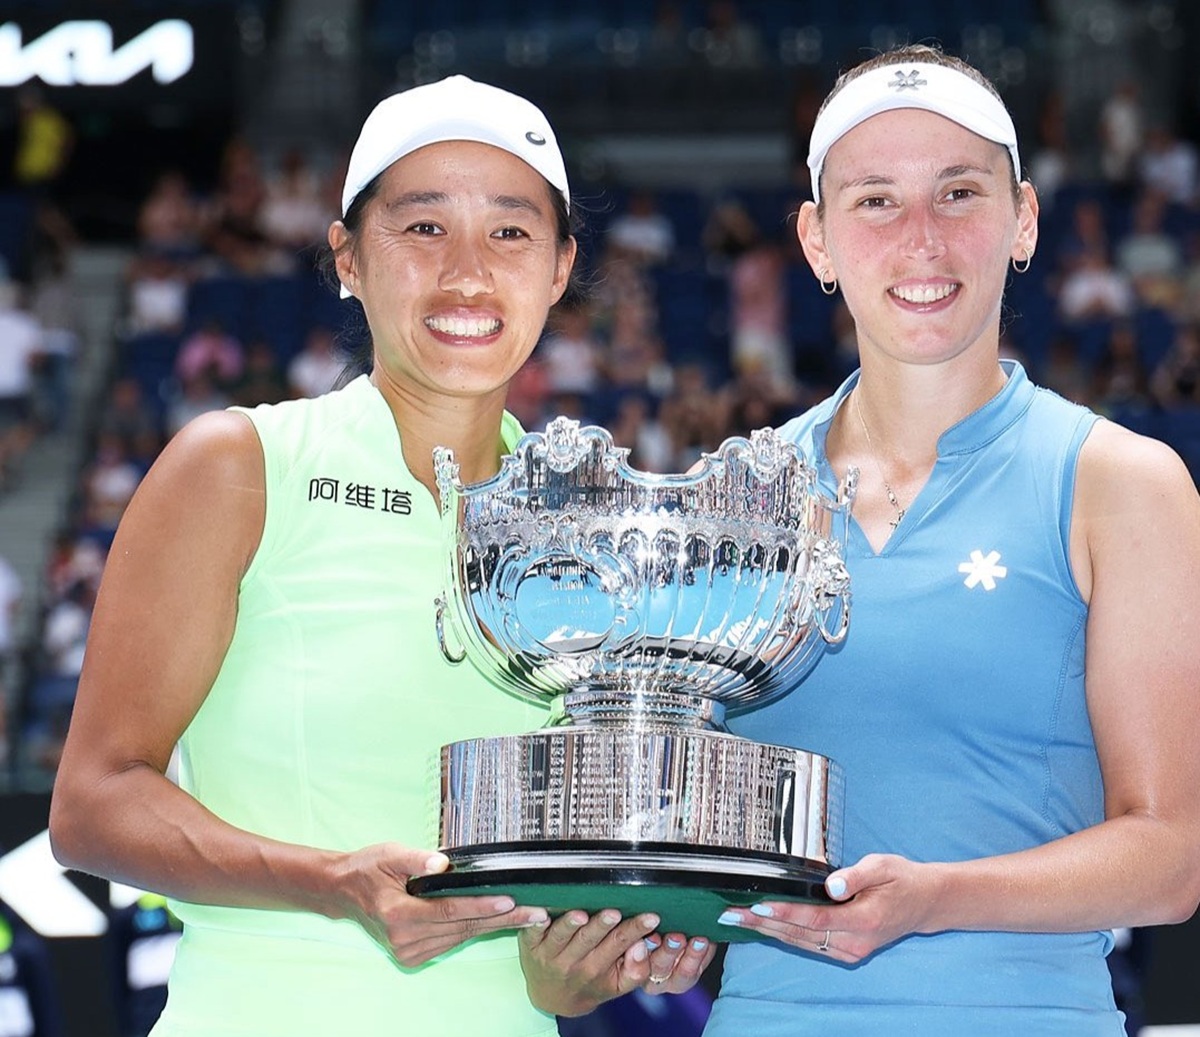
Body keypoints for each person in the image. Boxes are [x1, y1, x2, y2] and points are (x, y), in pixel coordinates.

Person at [47, 75, 708, 1036]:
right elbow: (93, 803)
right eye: (424, 228)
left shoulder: (596, 526)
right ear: (349, 257)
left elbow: (548, 947)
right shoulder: (239, 466)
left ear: (561, 268)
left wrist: (572, 966)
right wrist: (333, 884)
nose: (469, 274)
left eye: (511, 232)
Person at [707, 44, 1200, 1035]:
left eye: (960, 193)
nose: (921, 239)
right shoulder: (735, 489)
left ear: (1022, 220)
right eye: (876, 200)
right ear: (817, 240)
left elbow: (1174, 856)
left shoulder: (1122, 484)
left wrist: (937, 896)